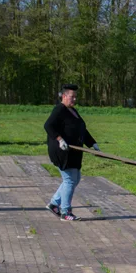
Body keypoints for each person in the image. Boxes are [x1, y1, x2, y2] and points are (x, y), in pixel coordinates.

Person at [44, 84, 99, 221]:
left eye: (75, 97)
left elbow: (81, 129)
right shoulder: (59, 110)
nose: (74, 99)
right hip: (62, 151)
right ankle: (65, 212)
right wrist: (60, 139)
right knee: (69, 180)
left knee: (75, 179)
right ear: (64, 96)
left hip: (74, 151)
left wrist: (92, 143)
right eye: (71, 96)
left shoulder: (72, 110)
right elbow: (48, 125)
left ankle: (54, 204)